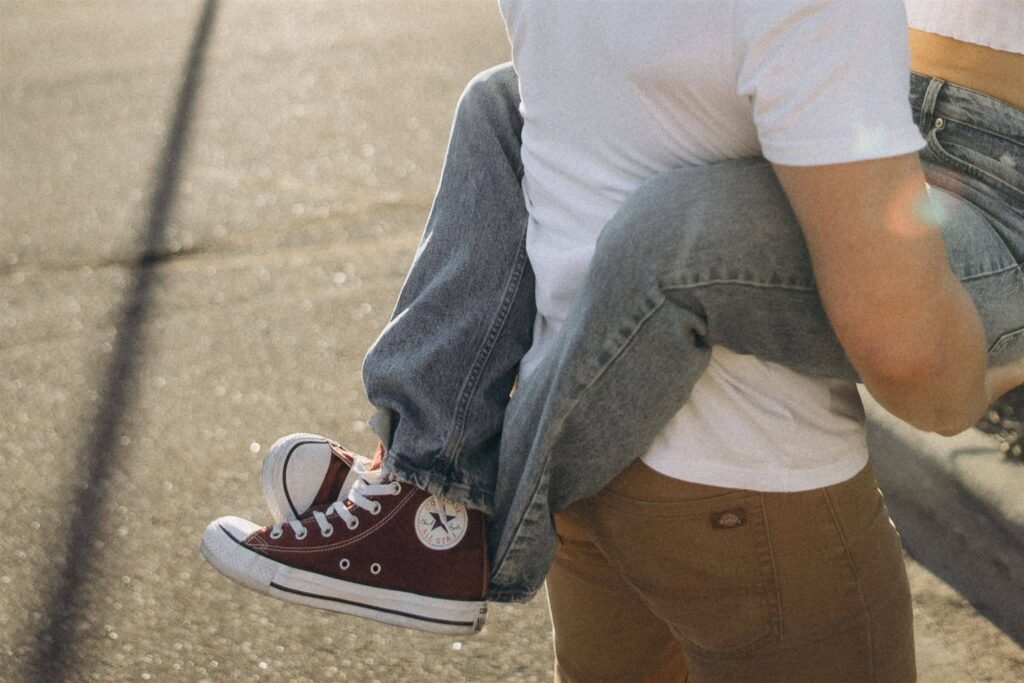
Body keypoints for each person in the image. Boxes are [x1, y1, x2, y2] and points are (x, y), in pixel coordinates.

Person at [202, 0, 1024, 677]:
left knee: (664, 232)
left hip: (980, 170)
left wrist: (985, 379)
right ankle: (434, 486)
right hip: (895, 107)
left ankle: (451, 514)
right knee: (515, 111)